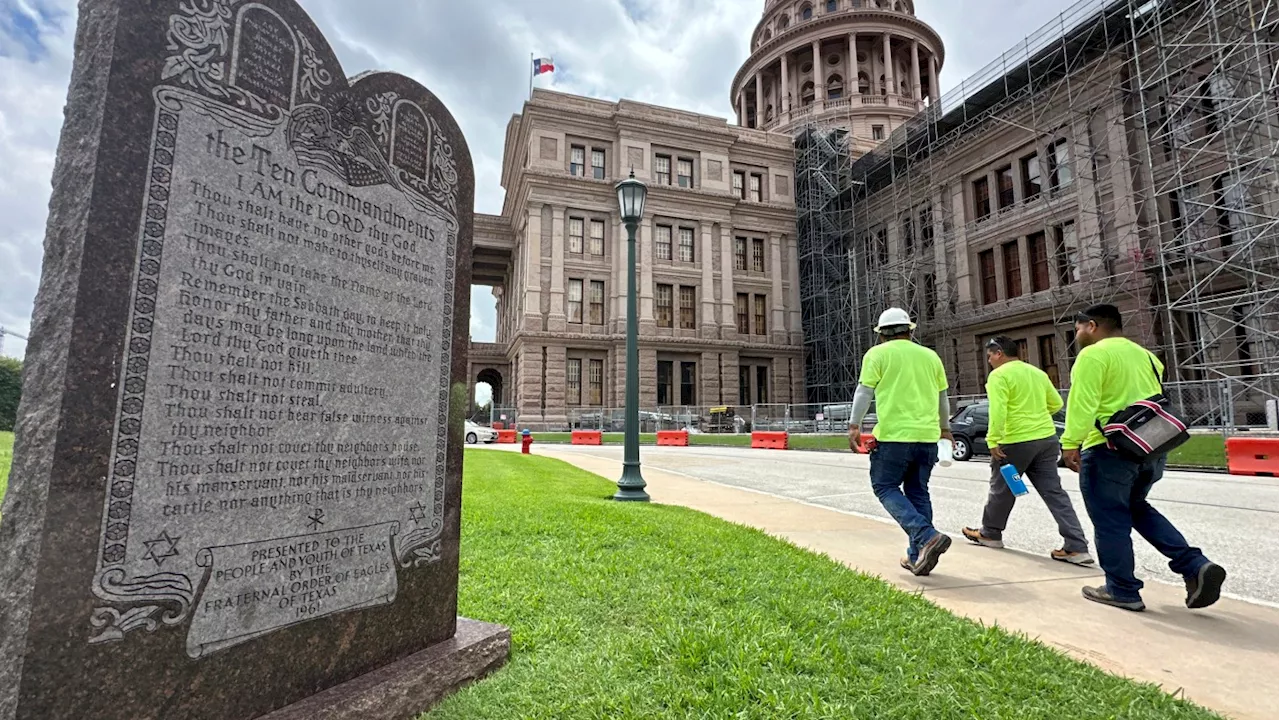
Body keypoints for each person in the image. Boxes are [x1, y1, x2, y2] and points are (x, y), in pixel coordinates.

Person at [1061, 304, 1227, 612]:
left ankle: (1121, 589)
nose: (1078, 335)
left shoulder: (1092, 355)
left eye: (1078, 329)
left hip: (1108, 449)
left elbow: (1083, 402)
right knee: (1136, 507)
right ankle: (1194, 564)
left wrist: (1070, 443)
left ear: (1093, 326)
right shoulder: (1147, 357)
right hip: (1150, 447)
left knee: (1110, 518)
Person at [963, 337, 1094, 565]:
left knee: (1003, 489)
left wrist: (993, 439)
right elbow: (1056, 404)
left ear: (999, 353)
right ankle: (1077, 546)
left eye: (990, 356)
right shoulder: (1038, 373)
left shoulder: (999, 376)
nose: (990, 361)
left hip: (1014, 445)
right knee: (1054, 493)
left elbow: (999, 410)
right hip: (1045, 441)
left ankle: (991, 533)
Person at [848, 308, 954, 576]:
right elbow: (942, 398)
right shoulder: (931, 356)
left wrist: (854, 425)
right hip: (927, 438)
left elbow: (864, 391)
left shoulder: (877, 354)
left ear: (882, 334)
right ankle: (917, 555)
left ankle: (926, 536)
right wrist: (945, 428)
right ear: (911, 330)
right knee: (918, 491)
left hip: (894, 437)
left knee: (884, 486)